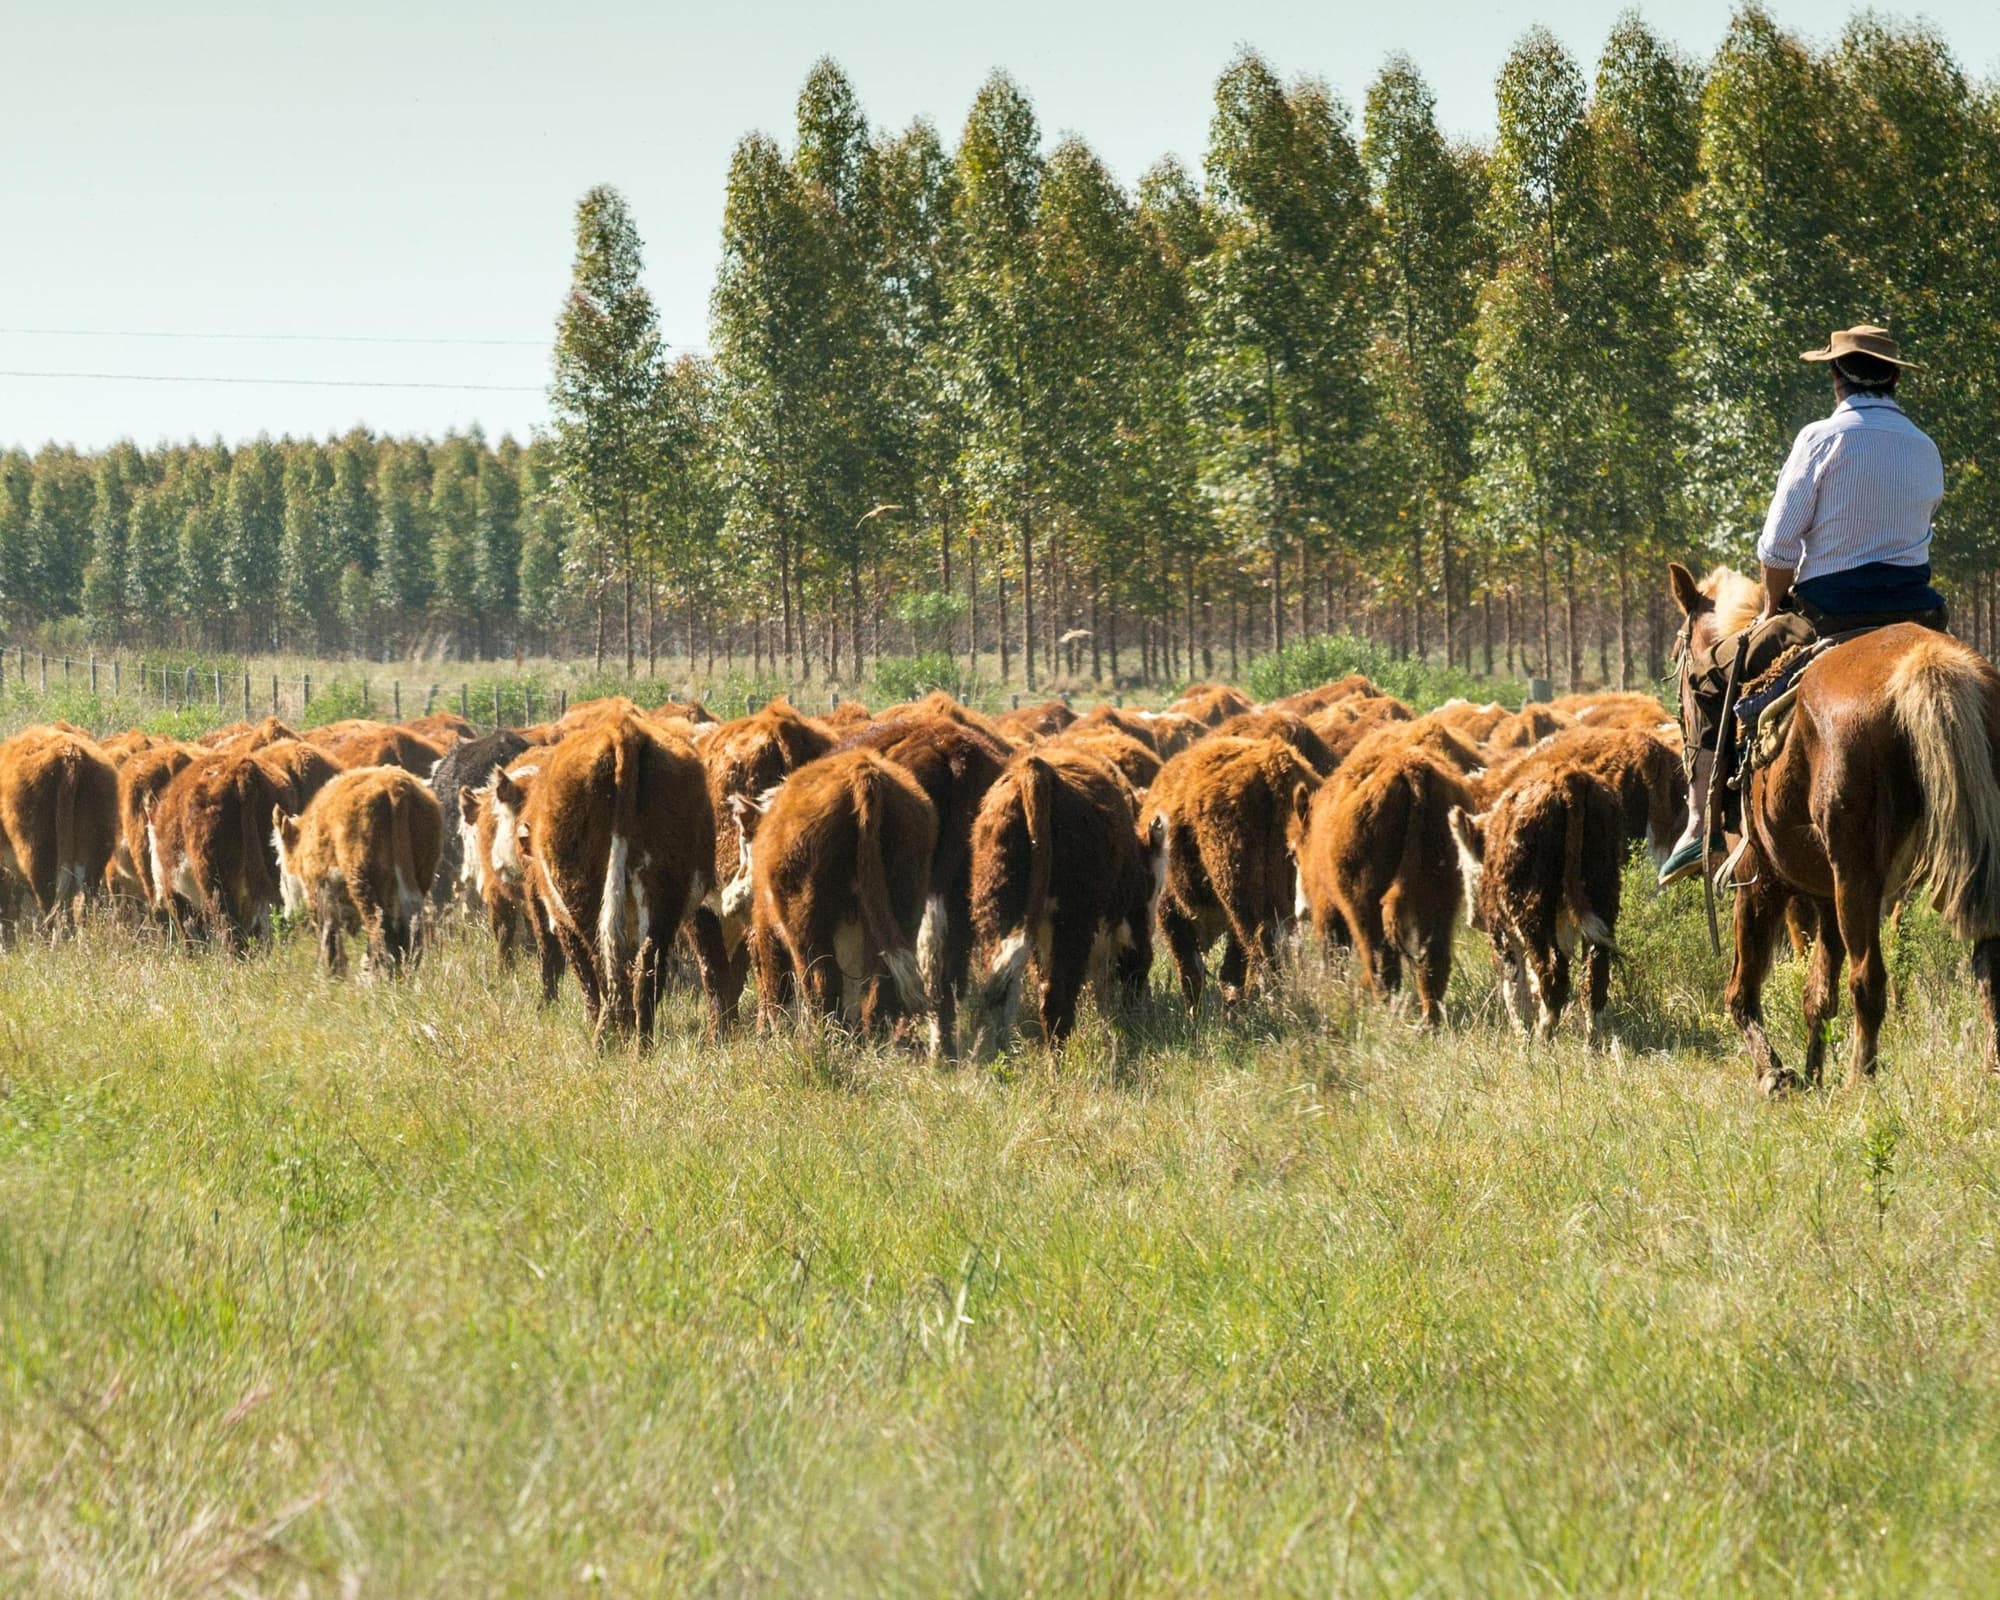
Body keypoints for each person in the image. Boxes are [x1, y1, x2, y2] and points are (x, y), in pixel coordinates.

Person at [1659, 324, 1947, 886]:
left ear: (1836, 378)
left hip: (1829, 613)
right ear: (1893, 380)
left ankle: (1709, 828)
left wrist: (1771, 608)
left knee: (1709, 676)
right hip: (1918, 616)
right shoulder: (1924, 445)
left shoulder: (1819, 439)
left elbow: (1778, 545)